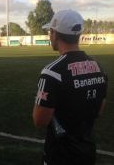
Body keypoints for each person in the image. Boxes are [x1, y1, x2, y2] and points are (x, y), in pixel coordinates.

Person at [32, 9, 108, 165]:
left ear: (55, 34)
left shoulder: (52, 72)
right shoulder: (99, 67)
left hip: (60, 156)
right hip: (87, 152)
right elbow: (98, 110)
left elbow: (39, 121)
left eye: (50, 32)